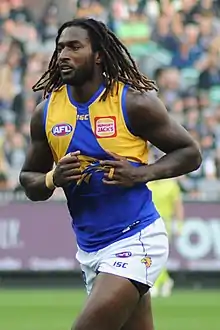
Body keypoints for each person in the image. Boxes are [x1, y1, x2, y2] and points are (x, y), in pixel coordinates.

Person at [19, 18, 202, 330]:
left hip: (137, 237)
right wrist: (53, 178)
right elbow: (29, 181)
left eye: (74, 47)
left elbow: (190, 153)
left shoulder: (133, 102)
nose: (63, 54)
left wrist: (141, 174)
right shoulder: (46, 112)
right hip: (91, 249)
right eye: (60, 47)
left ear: (99, 54)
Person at [148, 176, 184, 297]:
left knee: (157, 254)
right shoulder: (148, 184)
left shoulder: (171, 185)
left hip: (165, 223)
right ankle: (166, 281)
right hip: (148, 223)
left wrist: (179, 225)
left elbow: (178, 207)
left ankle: (157, 285)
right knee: (152, 254)